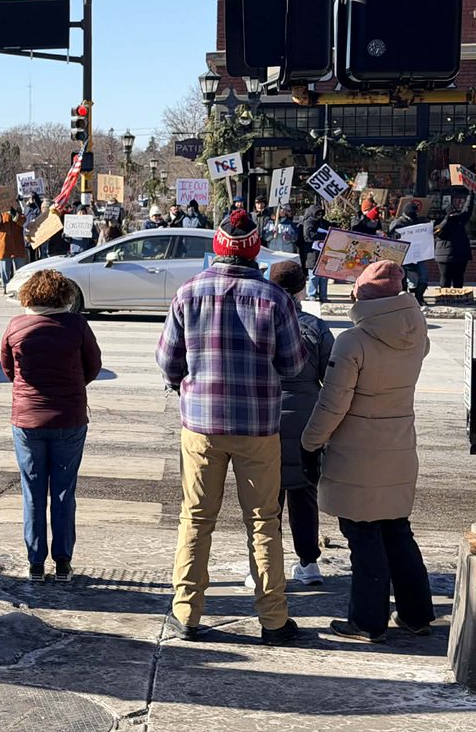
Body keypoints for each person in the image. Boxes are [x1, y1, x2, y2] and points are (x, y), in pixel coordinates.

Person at [157, 209, 307, 646]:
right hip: (258, 426)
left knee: (196, 518)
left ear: (218, 247)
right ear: (254, 249)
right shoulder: (275, 298)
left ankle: (186, 613)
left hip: (201, 424)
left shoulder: (189, 292)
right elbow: (294, 365)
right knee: (263, 521)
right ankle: (274, 619)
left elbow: (168, 362)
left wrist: (186, 381)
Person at [301, 260, 435, 642]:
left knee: (363, 536)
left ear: (363, 295)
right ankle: (416, 614)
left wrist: (309, 443)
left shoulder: (353, 341)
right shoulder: (417, 332)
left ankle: (368, 622)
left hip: (357, 454)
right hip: (399, 446)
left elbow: (332, 405)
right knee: (397, 530)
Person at [0, 269, 102, 583]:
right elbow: (93, 366)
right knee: (63, 492)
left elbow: (8, 370)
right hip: (69, 418)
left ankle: (35, 563)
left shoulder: (16, 326)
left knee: (32, 493)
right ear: (63, 296)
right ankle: (63, 563)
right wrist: (71, 387)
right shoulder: (77, 325)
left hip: (27, 420)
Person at [266, 261, 333, 588]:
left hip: (265, 417)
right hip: (308, 418)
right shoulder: (316, 328)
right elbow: (331, 377)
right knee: (305, 493)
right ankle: (309, 563)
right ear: (302, 289)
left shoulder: (260, 322)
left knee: (266, 497)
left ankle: (265, 566)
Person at [435, 194, 473, 289]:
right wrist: (447, 219)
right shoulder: (441, 222)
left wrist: (471, 195)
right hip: (446, 256)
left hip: (459, 255)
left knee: (457, 278)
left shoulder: (460, 220)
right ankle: (446, 296)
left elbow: (468, 209)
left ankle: (454, 296)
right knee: (446, 278)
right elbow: (437, 232)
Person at [302, 206, 333, 304]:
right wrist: (325, 235)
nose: (319, 216)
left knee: (324, 276)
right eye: (317, 214)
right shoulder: (309, 222)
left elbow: (333, 230)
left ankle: (323, 296)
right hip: (312, 253)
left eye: (321, 214)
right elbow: (308, 235)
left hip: (324, 253)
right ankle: (312, 294)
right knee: (314, 275)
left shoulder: (324, 223)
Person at [0, 204, 27, 291]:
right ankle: (6, 287)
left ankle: (20, 287)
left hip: (17, 246)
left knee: (21, 269)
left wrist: (15, 214)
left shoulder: (19, 212)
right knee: (5, 269)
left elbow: (22, 221)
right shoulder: (1, 213)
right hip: (4, 246)